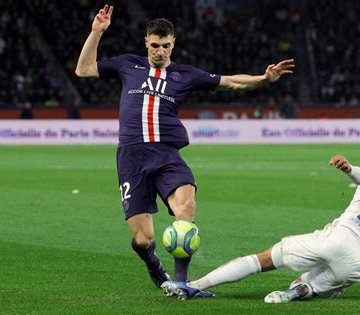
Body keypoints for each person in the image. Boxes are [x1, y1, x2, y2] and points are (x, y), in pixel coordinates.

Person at [74, 5, 294, 295]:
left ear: (173, 43)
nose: (160, 51)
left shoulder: (185, 74)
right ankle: (155, 268)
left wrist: (264, 79)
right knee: (144, 239)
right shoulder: (128, 64)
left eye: (166, 46)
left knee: (186, 208)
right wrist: (96, 32)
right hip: (132, 157)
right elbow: (84, 70)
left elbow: (230, 82)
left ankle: (180, 283)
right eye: (155, 45)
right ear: (146, 42)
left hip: (167, 155)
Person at [162, 143, 360, 301]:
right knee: (309, 283)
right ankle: (295, 293)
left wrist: (350, 169)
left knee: (263, 260)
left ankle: (194, 284)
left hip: (340, 239)